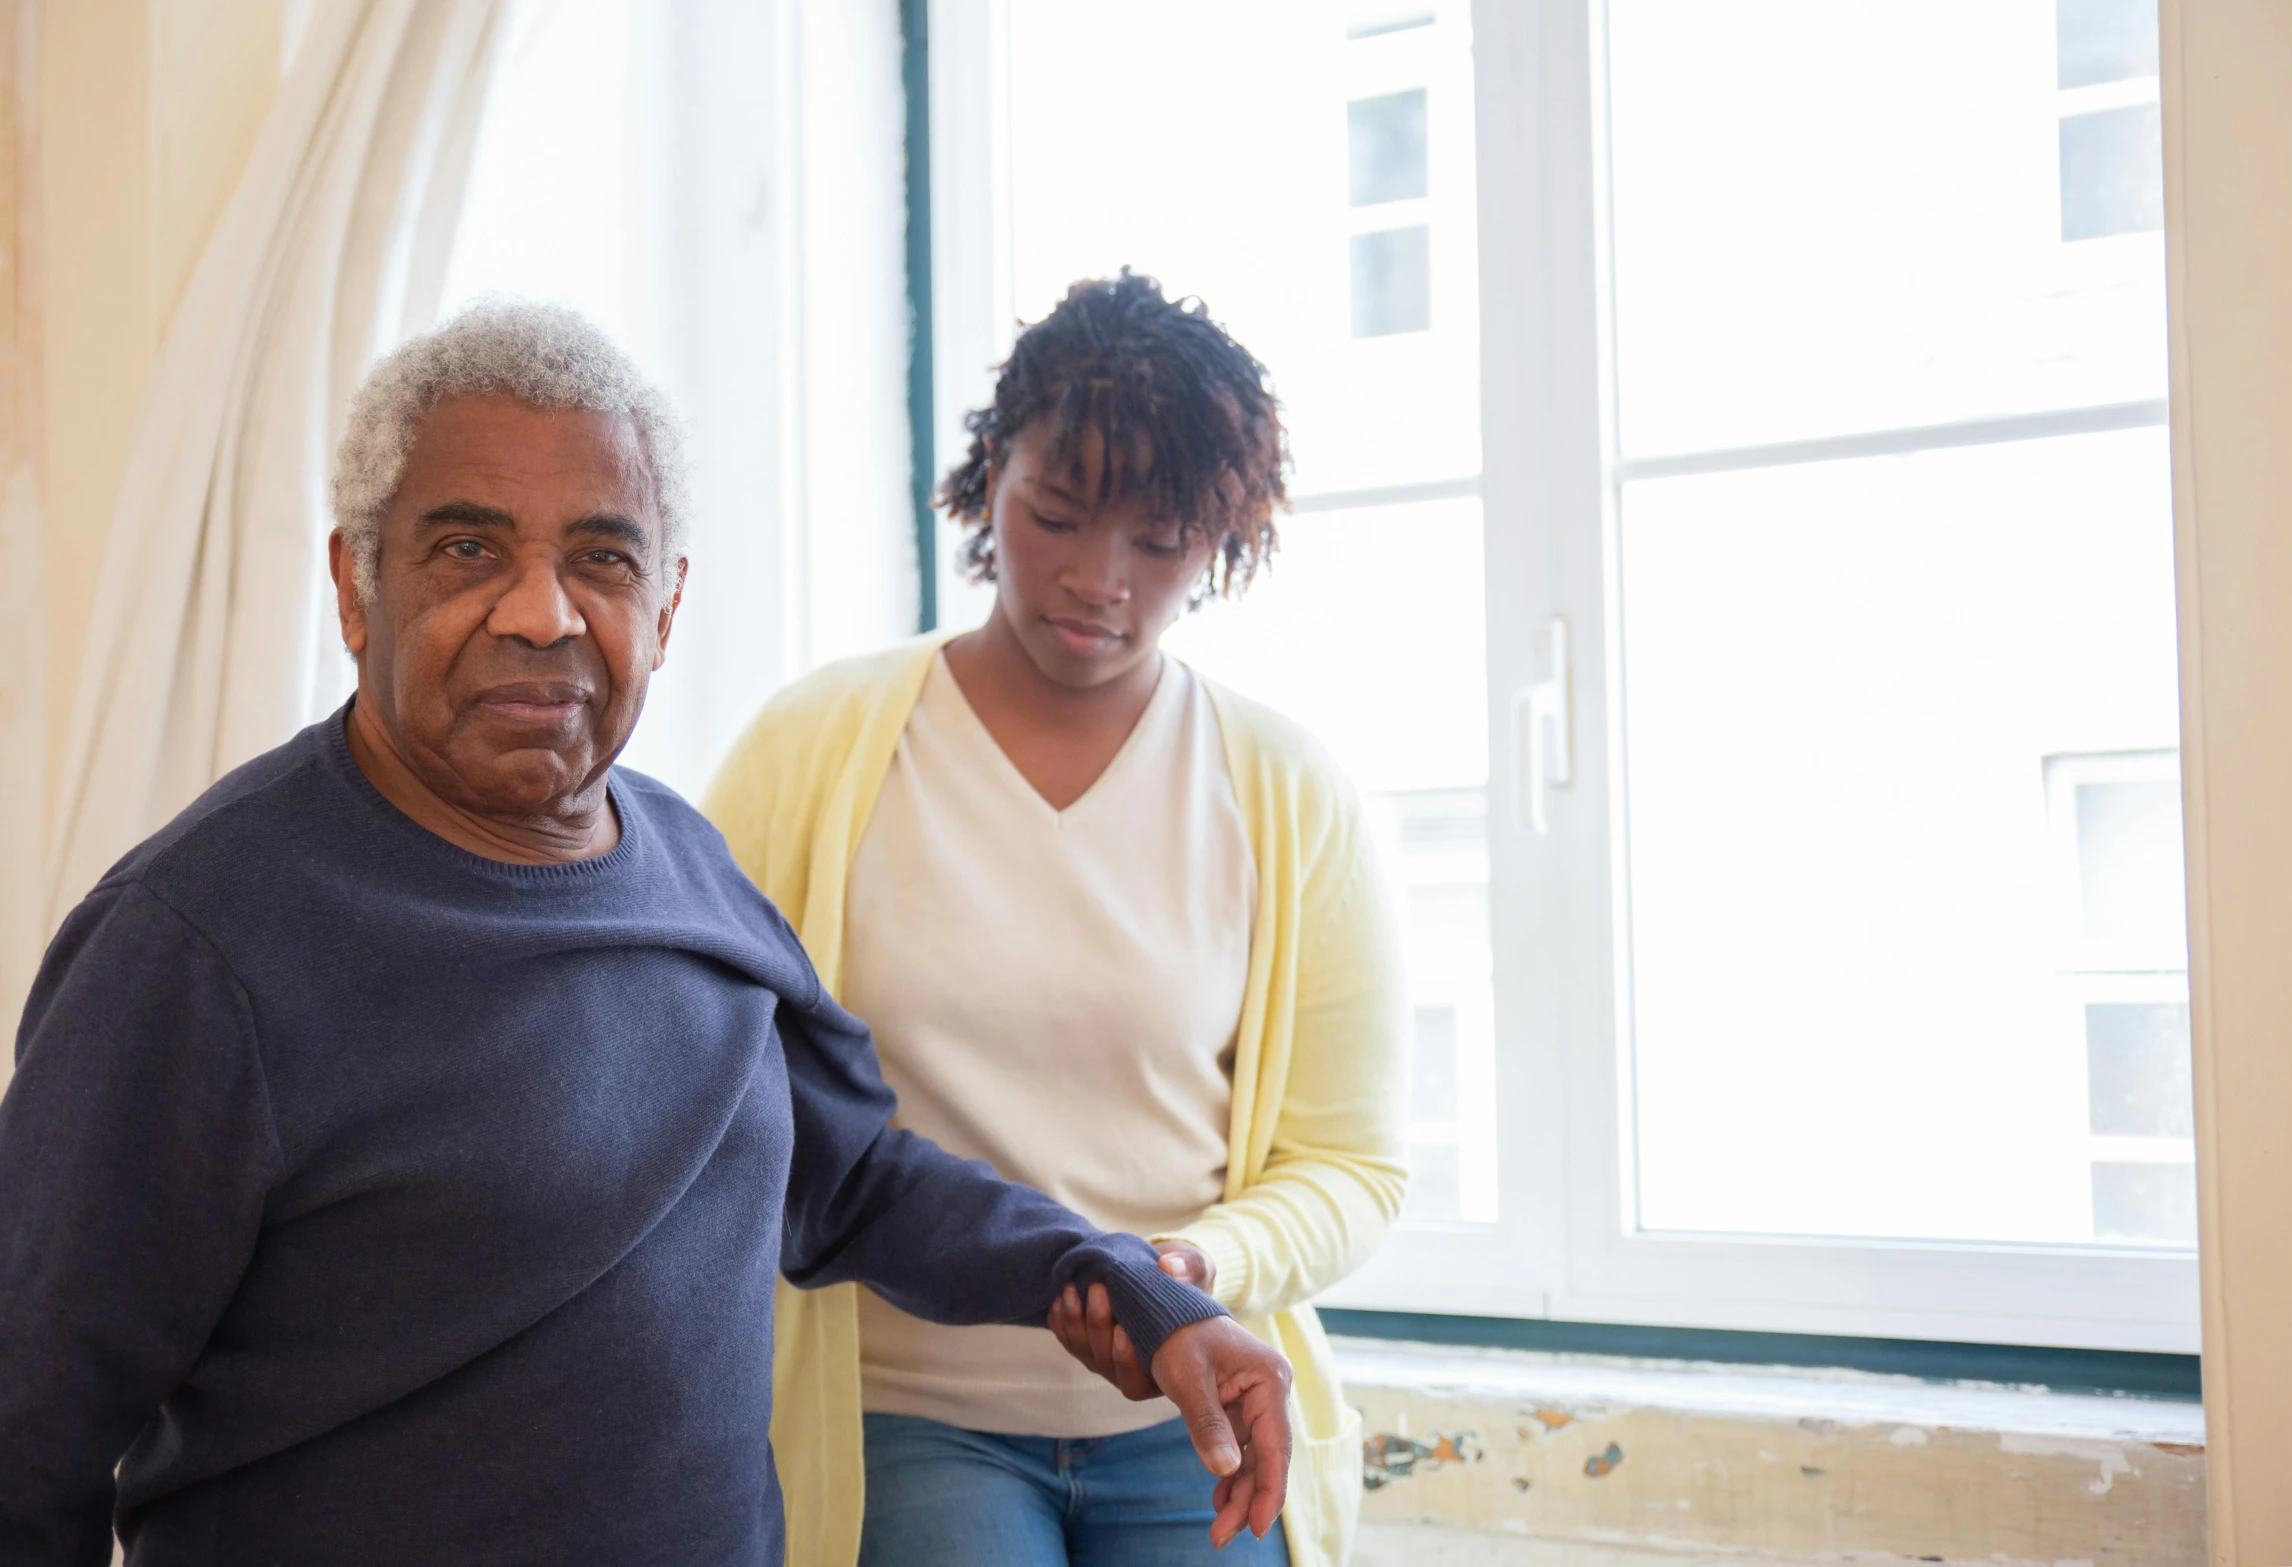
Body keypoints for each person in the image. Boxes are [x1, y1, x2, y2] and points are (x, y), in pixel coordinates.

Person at [0, 303, 1293, 1567]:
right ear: (354, 583)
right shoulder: (195, 947)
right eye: (466, 549)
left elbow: (851, 1181)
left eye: (602, 559)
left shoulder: (686, 865)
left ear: (664, 607)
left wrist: (1126, 1284)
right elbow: (27, 1433)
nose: (542, 613)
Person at [702, 270, 1410, 1567]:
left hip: (1193, 1400)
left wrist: (1190, 1266)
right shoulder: (810, 749)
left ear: (1226, 536)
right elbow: (708, 1083)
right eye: (1056, 515)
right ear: (990, 477)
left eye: (1158, 542)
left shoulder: (1285, 790)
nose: (1097, 581)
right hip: (905, 1406)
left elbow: (1352, 1163)